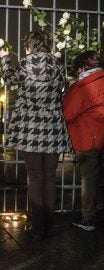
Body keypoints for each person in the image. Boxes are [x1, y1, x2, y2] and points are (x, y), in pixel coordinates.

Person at [0, 30, 72, 239]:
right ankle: (48, 225)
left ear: (29, 45)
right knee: (49, 178)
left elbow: (9, 78)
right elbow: (62, 89)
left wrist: (5, 59)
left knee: (35, 178)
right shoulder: (57, 65)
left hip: (30, 129)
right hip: (52, 128)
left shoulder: (25, 63)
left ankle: (38, 226)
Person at [63, 50, 104, 231]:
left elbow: (68, 113)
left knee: (88, 179)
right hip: (100, 136)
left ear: (84, 67)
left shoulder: (83, 87)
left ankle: (88, 219)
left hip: (88, 140)